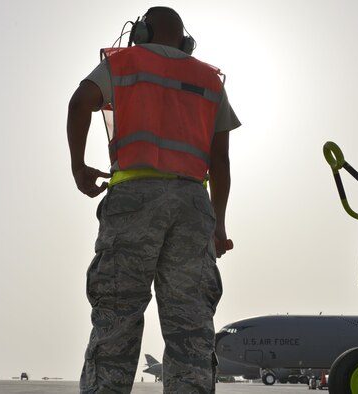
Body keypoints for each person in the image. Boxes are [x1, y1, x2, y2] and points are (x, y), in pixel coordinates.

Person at [67, 6, 241, 394]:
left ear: (141, 32)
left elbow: (79, 103)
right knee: (191, 326)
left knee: (118, 317)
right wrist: (219, 223)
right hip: (193, 204)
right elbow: (222, 162)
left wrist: (79, 167)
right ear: (185, 40)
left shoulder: (124, 62)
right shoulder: (210, 81)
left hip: (134, 198)